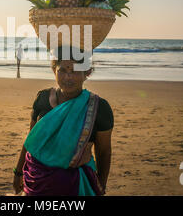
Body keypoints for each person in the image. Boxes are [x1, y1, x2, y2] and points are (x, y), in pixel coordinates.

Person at [12, 46, 114, 196]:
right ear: (54, 70)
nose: (68, 77)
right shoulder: (42, 99)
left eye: (75, 71)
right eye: (63, 70)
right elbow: (31, 139)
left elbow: (104, 151)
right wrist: (18, 172)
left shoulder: (99, 108)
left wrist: (101, 185)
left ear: (87, 73)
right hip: (36, 180)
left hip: (77, 185)